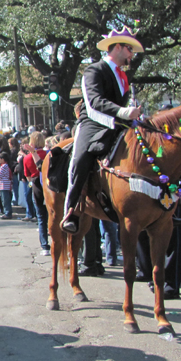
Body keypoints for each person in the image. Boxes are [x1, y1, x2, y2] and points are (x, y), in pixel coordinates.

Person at [62, 27, 142, 233]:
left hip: (120, 123)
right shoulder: (94, 70)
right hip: (93, 123)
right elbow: (94, 101)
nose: (131, 54)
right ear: (116, 48)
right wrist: (124, 112)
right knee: (79, 159)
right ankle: (70, 210)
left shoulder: (124, 76)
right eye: (129, 48)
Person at [22, 131, 49, 254]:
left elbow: (27, 176)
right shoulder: (48, 154)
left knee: (41, 217)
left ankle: (44, 246)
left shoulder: (27, 158)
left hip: (36, 185)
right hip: (50, 185)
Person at [0, 150, 13, 219]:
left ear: (2, 159)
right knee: (4, 199)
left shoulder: (3, 166)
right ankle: (6, 212)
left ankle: (7, 213)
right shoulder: (6, 166)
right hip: (5, 185)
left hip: (4, 186)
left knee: (5, 200)